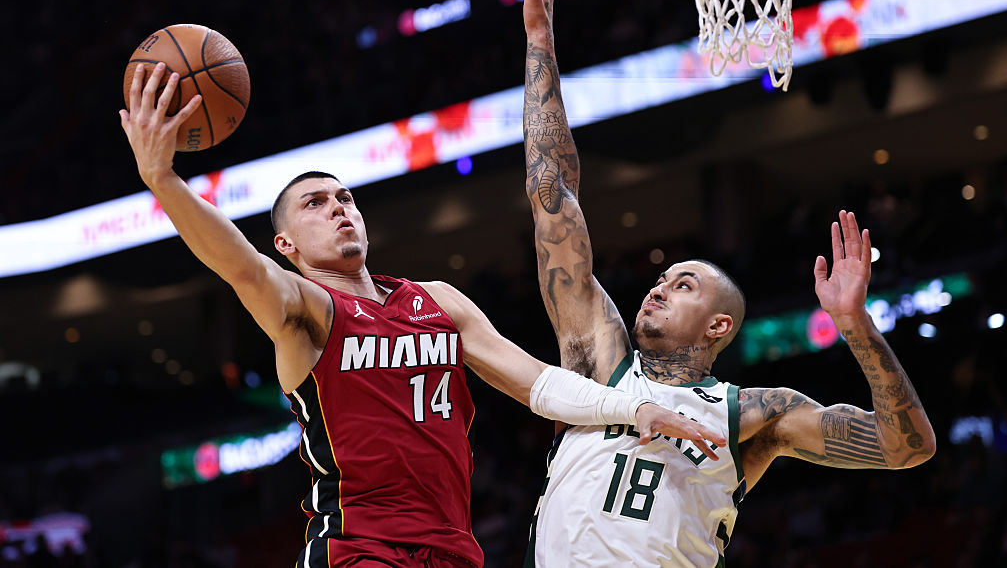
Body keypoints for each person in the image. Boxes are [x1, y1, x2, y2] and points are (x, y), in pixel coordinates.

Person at [117, 64, 725, 568]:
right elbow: (242, 267)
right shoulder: (308, 311)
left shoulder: (438, 300)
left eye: (345, 198)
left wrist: (634, 406)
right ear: (287, 246)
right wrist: (163, 180)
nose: (339, 209)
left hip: (452, 547)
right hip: (359, 548)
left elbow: (539, 383)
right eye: (316, 204)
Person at [520, 0, 937, 567]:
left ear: (719, 325)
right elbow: (553, 199)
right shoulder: (598, 360)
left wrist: (854, 325)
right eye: (663, 278)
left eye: (683, 284)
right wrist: (540, 46)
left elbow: (907, 447)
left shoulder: (756, 414)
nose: (658, 286)